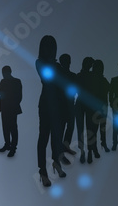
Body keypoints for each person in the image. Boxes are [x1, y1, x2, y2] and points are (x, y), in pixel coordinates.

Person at [34, 35, 66, 188]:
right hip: (46, 104)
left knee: (56, 137)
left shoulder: (57, 66)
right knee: (44, 137)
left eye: (52, 46)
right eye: (47, 46)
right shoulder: (40, 62)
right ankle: (42, 171)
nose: (50, 49)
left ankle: (56, 162)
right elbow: (48, 78)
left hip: (57, 105)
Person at [0, 65, 23, 157]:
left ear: (9, 72)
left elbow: (19, 96)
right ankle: (7, 144)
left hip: (12, 109)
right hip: (5, 109)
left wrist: (12, 103)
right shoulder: (3, 82)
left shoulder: (16, 81)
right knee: (5, 128)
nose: (3, 75)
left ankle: (13, 148)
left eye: (4, 73)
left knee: (13, 128)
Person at [73, 57, 97, 163]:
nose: (90, 66)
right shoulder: (80, 76)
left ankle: (89, 151)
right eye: (89, 64)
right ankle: (83, 151)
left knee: (88, 128)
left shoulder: (82, 76)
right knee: (81, 128)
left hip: (86, 103)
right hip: (82, 103)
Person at [58, 54, 77, 156]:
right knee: (61, 127)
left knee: (70, 126)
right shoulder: (58, 74)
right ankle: (59, 148)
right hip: (61, 105)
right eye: (65, 61)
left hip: (70, 104)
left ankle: (65, 146)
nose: (67, 63)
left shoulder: (73, 76)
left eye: (68, 60)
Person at [90, 60, 111, 153]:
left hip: (103, 107)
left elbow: (110, 89)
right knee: (94, 128)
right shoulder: (93, 79)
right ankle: (94, 147)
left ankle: (103, 143)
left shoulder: (103, 80)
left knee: (102, 126)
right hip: (95, 107)